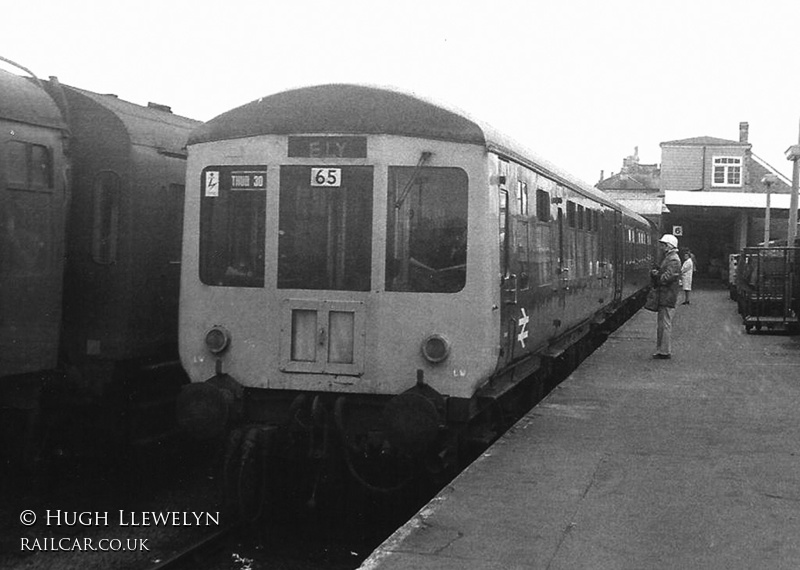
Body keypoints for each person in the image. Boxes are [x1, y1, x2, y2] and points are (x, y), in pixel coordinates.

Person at [651, 234, 682, 359]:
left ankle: (664, 351)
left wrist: (657, 275)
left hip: (667, 295)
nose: (662, 247)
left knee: (665, 323)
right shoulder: (670, 258)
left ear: (670, 246)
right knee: (662, 323)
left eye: (664, 245)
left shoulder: (673, 259)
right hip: (665, 294)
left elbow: (667, 277)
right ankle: (661, 350)